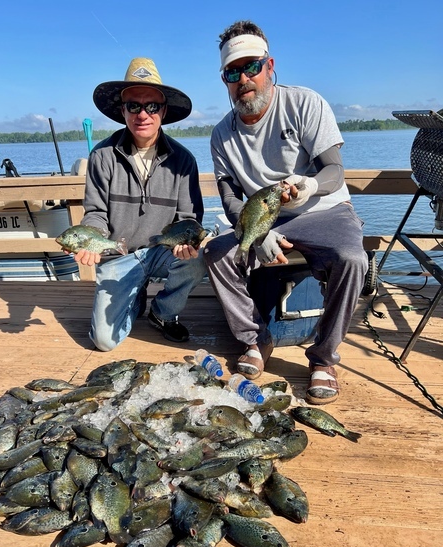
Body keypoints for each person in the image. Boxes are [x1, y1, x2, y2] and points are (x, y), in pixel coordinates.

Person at [204, 21, 368, 404]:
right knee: (215, 254)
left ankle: (324, 358)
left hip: (323, 209)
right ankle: (257, 340)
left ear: (270, 65)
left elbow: (334, 170)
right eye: (233, 72)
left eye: (252, 67)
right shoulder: (220, 135)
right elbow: (230, 198)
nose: (243, 78)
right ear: (224, 79)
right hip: (262, 219)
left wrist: (309, 184)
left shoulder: (305, 103)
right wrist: (256, 234)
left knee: (352, 259)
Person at [74, 58, 206, 351]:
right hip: (118, 257)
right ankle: (134, 300)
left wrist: (188, 242)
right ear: (122, 111)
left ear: (163, 112)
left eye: (151, 106)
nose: (142, 114)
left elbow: (189, 219)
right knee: (104, 341)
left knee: (196, 260)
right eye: (134, 106)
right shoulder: (102, 156)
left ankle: (163, 312)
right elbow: (95, 213)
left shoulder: (184, 161)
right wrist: (88, 239)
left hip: (162, 251)